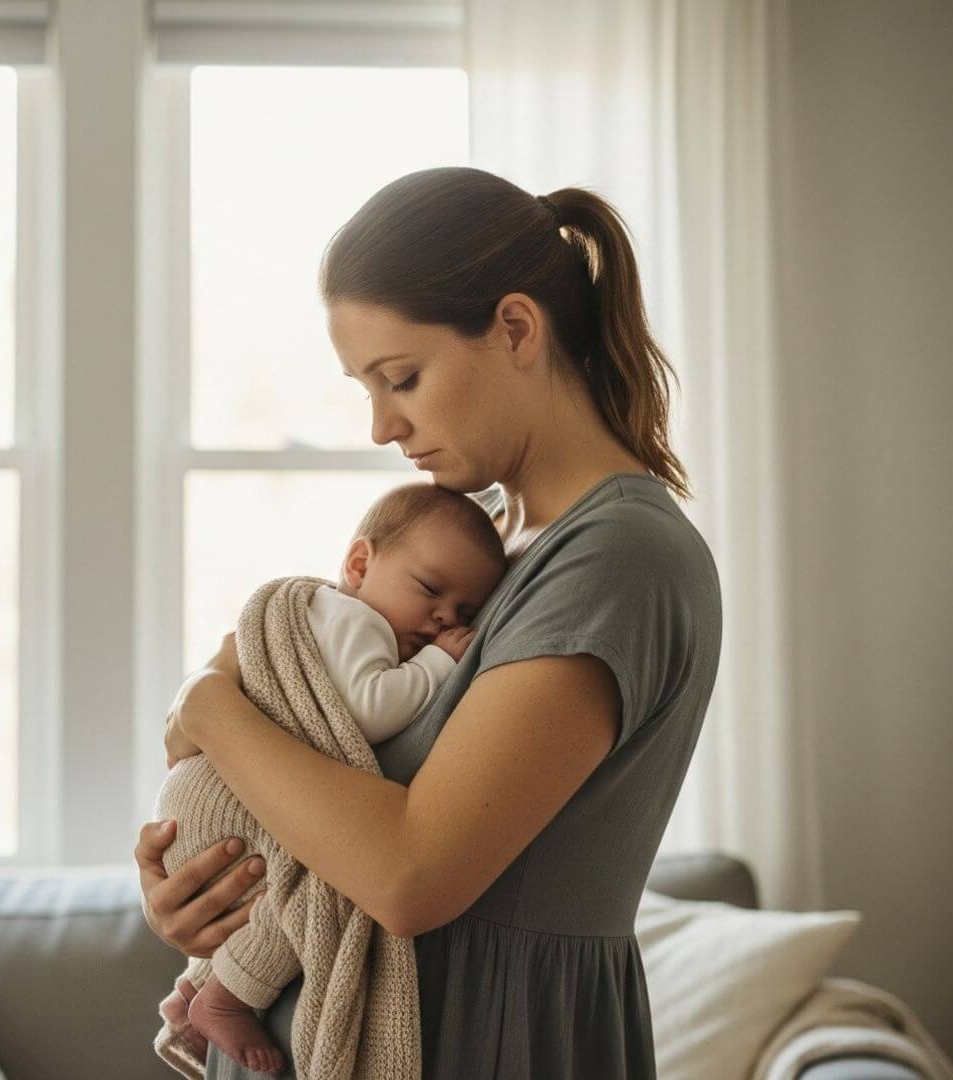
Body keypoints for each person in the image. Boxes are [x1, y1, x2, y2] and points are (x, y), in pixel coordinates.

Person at [136, 165, 723, 1079]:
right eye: (366, 387)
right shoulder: (478, 549)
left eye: (401, 378)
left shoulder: (614, 560)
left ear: (516, 328)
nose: (380, 426)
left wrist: (208, 708)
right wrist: (210, 896)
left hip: (488, 1043)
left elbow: (411, 876)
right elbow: (284, 729)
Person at [151, 481, 506, 1075]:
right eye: (430, 591)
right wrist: (440, 660)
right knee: (314, 895)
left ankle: (192, 992)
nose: (446, 616)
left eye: (465, 612)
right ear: (360, 564)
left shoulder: (332, 615)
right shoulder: (357, 623)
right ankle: (225, 996)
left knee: (281, 891)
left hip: (204, 788)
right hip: (223, 794)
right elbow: (370, 707)